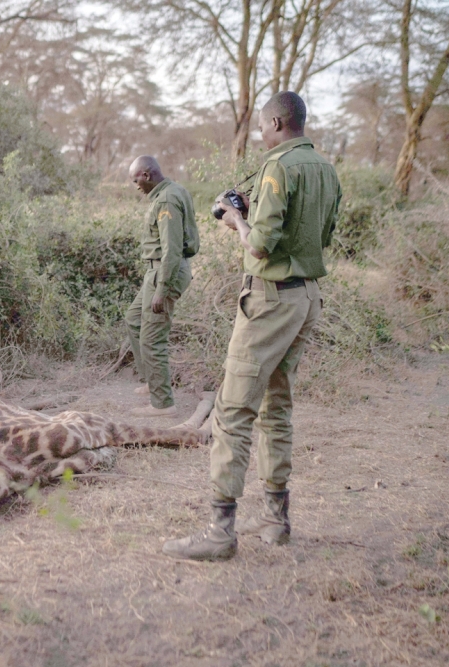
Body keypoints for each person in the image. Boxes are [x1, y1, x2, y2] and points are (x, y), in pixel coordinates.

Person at [162, 92, 342, 561]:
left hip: (269, 299)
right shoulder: (325, 168)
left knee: (234, 410)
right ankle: (276, 522)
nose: (262, 134)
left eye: (263, 127)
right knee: (278, 405)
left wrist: (236, 219)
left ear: (278, 122)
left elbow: (260, 247)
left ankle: (221, 533)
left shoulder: (277, 167)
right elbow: (321, 236)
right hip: (307, 297)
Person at [125, 156, 200, 418]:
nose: (135, 186)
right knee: (134, 319)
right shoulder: (171, 191)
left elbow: (172, 249)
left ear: (146, 175)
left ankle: (163, 404)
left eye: (136, 180)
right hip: (156, 271)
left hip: (165, 271)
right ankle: (152, 381)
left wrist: (162, 288)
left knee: (153, 337)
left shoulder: (167, 199)